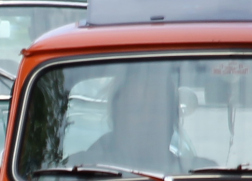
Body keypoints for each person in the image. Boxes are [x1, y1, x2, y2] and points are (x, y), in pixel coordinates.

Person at [70, 63, 213, 174]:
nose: (147, 119)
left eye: (157, 109)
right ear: (116, 117)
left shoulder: (201, 175)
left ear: (173, 119)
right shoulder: (79, 171)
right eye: (135, 109)